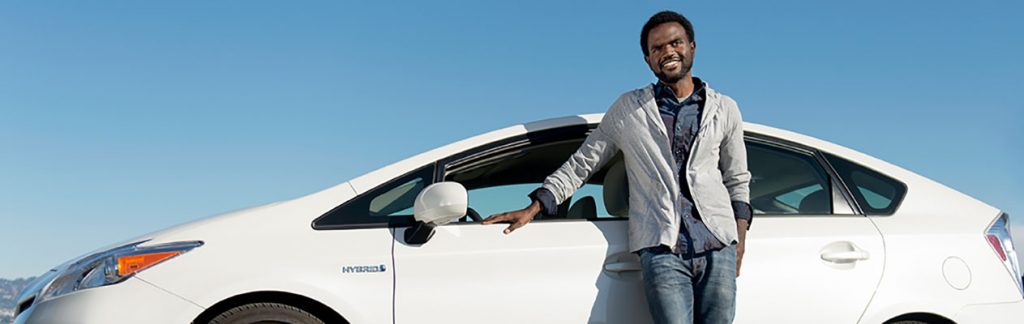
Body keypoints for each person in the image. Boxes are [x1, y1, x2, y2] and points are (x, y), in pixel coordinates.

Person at [482, 10, 752, 324]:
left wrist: (739, 240)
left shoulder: (725, 108)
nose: (667, 51)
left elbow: (737, 178)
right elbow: (584, 161)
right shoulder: (629, 109)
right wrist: (538, 204)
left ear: (692, 46)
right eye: (657, 48)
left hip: (717, 242)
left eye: (675, 42)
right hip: (662, 248)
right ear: (648, 60)